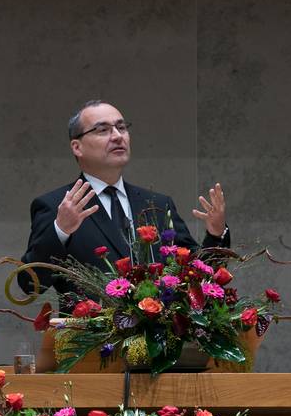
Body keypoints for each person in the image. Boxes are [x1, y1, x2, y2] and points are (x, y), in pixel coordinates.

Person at [19, 100, 230, 298]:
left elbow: (200, 277)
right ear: (77, 147)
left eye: (122, 127)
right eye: (103, 130)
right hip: (90, 335)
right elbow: (31, 285)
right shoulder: (57, 205)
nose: (118, 136)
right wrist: (61, 230)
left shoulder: (157, 204)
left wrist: (216, 233)